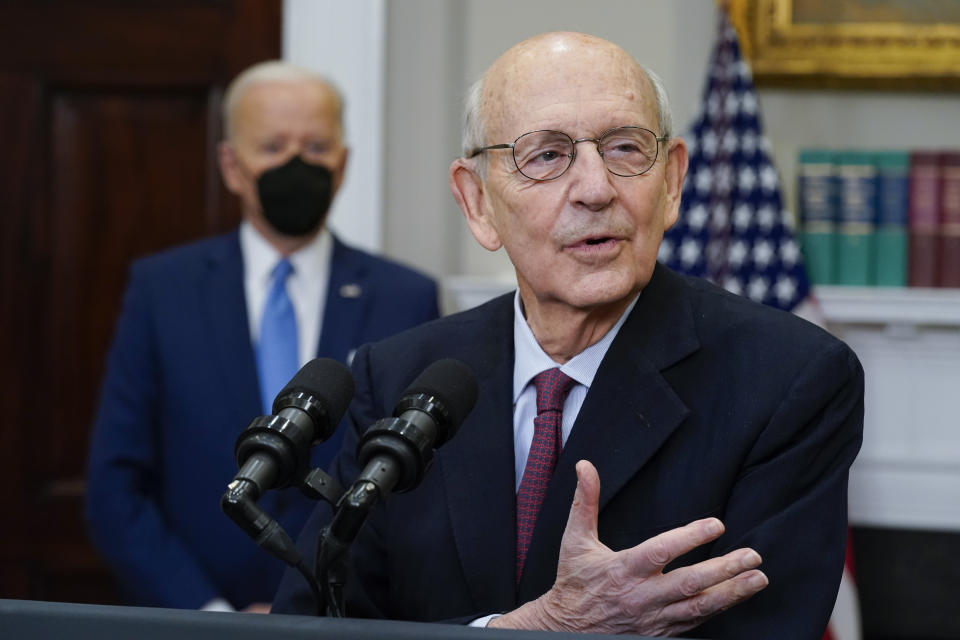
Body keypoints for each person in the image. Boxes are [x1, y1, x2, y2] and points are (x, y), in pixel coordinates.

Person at [272, 32, 863, 639]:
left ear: (672, 182)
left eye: (627, 148)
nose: (596, 188)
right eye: (547, 156)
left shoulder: (790, 378)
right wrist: (540, 628)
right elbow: (318, 624)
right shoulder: (396, 377)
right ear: (477, 202)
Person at [85, 61, 440, 613]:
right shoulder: (162, 290)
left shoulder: (405, 297)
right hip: (192, 621)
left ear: (343, 166)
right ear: (231, 165)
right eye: (273, 146)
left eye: (317, 147)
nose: (296, 164)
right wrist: (210, 614)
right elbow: (116, 486)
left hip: (341, 618)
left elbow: (414, 492)